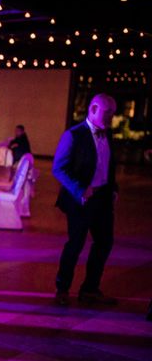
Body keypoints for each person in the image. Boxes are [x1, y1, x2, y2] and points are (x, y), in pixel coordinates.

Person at [53, 93, 118, 306]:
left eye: (112, 114)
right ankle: (62, 289)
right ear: (93, 109)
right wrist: (80, 189)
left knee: (104, 242)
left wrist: (113, 188)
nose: (111, 118)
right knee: (76, 244)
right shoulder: (73, 135)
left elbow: (107, 165)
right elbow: (58, 168)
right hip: (80, 200)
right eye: (108, 113)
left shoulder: (107, 134)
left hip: (103, 199)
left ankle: (90, 289)